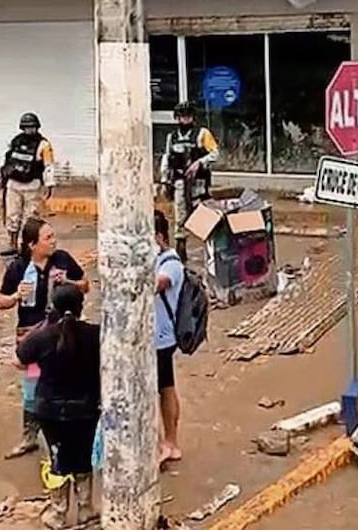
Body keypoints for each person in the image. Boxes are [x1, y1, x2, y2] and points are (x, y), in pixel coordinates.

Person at [0, 217, 90, 459]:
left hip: (62, 332)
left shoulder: (62, 259)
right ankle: (29, 435)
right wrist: (17, 295)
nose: (53, 241)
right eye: (47, 238)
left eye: (52, 236)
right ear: (32, 244)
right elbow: (0, 301)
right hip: (33, 336)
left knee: (63, 381)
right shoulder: (18, 268)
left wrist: (68, 282)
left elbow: (85, 284)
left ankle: (61, 433)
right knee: (32, 386)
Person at [17, 284, 100, 529]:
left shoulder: (42, 337)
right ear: (81, 306)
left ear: (53, 306)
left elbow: (19, 360)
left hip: (49, 409)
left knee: (55, 458)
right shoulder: (95, 334)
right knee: (83, 456)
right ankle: (86, 509)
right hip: (85, 408)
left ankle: (58, 512)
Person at [0, 113, 57, 257]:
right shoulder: (16, 141)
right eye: (26, 127)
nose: (29, 130)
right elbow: (8, 162)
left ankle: (25, 247)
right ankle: (12, 244)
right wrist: (4, 180)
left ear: (37, 127)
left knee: (30, 219)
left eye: (32, 127)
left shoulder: (44, 145)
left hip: (33, 186)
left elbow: (48, 165)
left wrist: (49, 184)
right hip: (13, 185)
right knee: (12, 216)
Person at [153, 210, 184, 465]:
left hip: (161, 338)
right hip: (150, 338)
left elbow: (156, 284)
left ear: (159, 237)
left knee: (164, 388)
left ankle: (170, 441)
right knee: (164, 387)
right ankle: (164, 442)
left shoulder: (171, 263)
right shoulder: (156, 260)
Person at [159, 101, 220, 217]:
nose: (186, 119)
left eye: (189, 116)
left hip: (199, 180)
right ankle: (180, 233)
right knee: (180, 210)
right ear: (177, 118)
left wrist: (199, 162)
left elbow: (215, 154)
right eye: (183, 116)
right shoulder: (172, 137)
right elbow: (167, 158)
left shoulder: (202, 133)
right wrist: (164, 181)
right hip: (179, 180)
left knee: (200, 211)